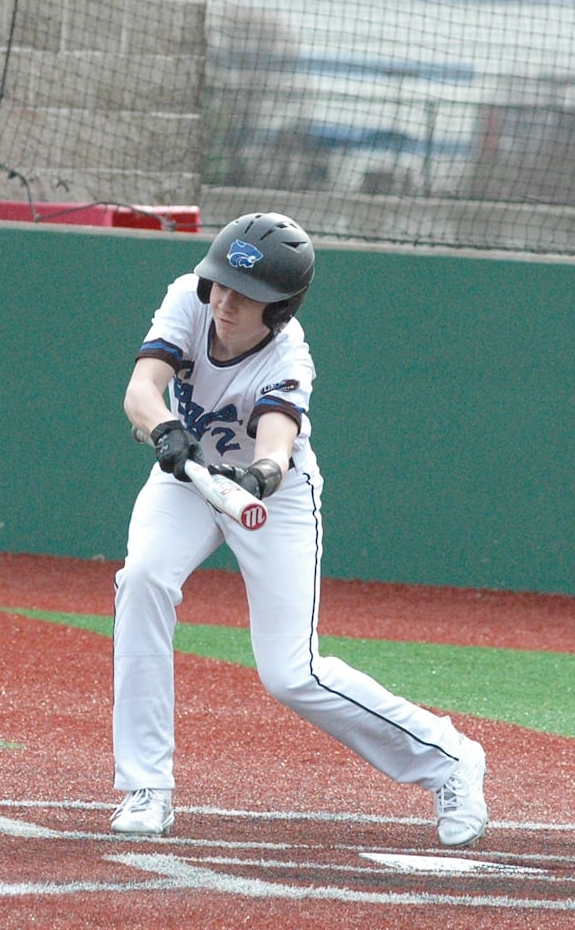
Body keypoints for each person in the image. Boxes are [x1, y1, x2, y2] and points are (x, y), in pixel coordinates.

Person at [109, 211, 488, 846]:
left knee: (290, 673)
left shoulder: (289, 356)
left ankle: (449, 758)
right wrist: (168, 431)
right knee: (143, 578)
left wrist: (259, 476)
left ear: (279, 307)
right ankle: (146, 787)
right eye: (221, 284)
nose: (225, 301)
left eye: (245, 294)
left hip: (272, 501)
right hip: (188, 478)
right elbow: (142, 389)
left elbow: (276, 444)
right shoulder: (188, 299)